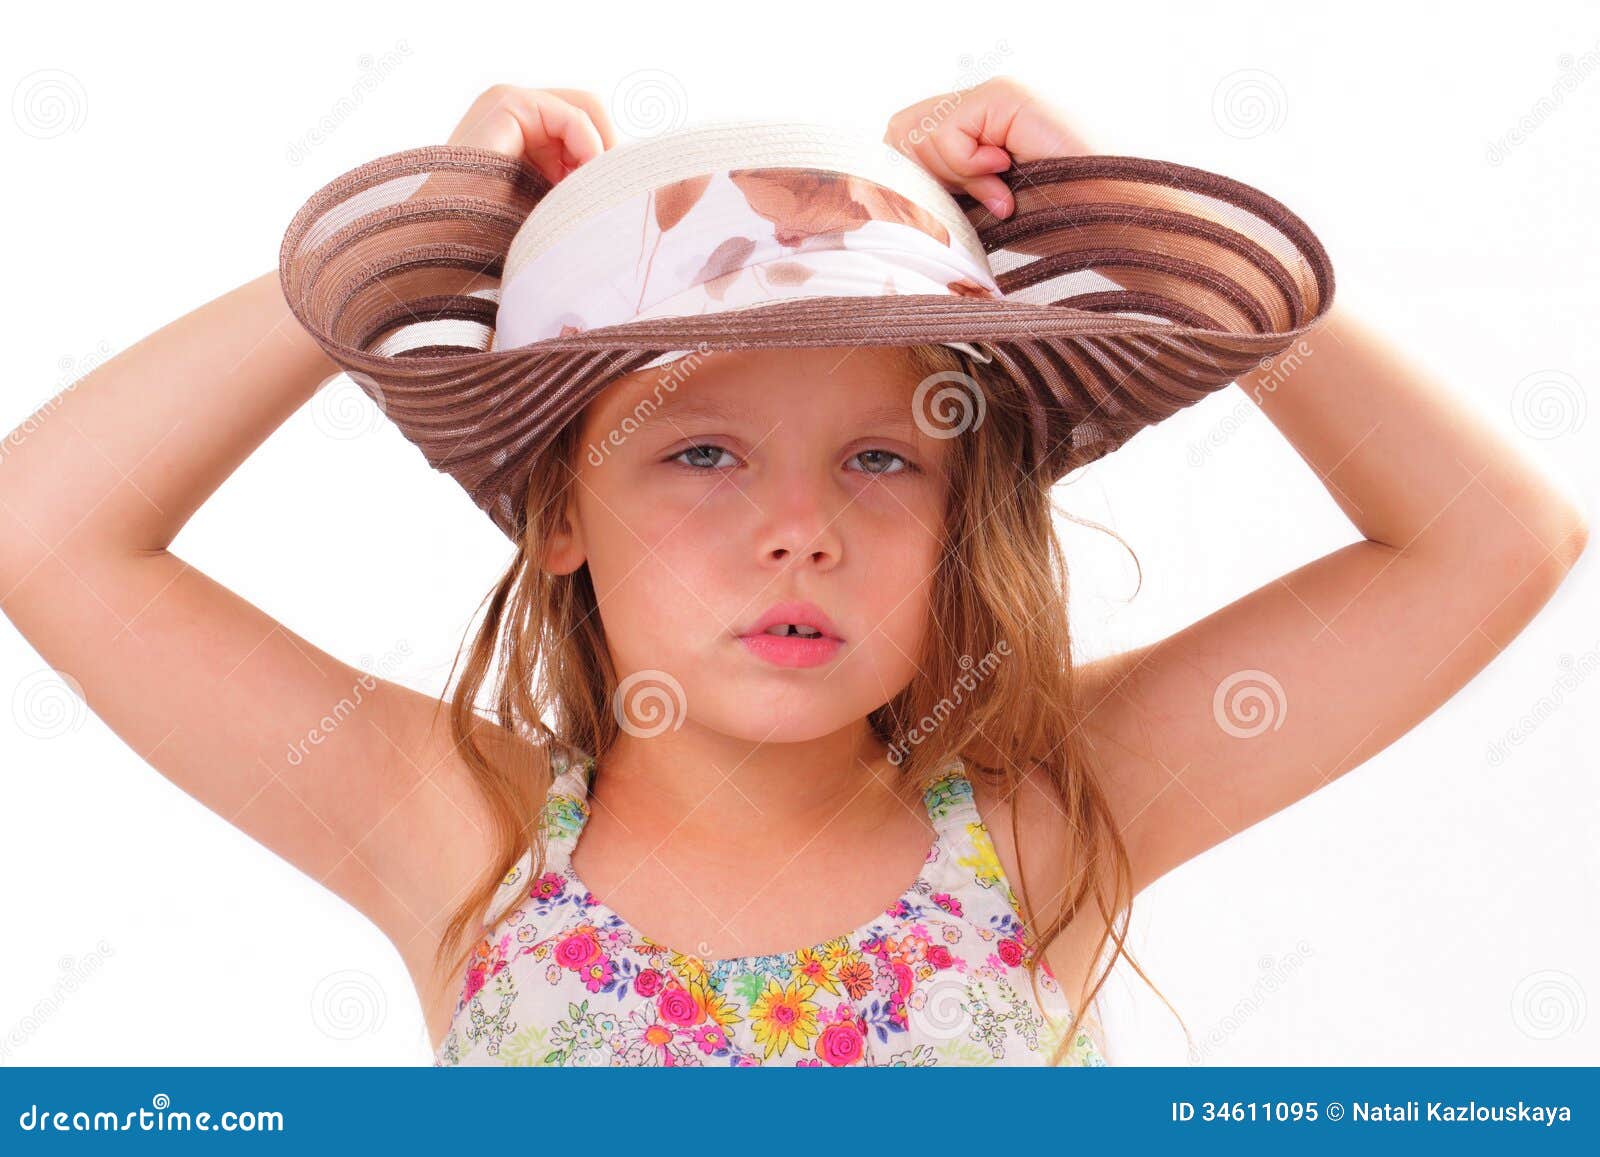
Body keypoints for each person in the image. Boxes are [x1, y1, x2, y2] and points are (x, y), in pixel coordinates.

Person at [0, 79, 1585, 1067]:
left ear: (967, 515)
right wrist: (422, 232)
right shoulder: (460, 836)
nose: (801, 528)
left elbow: (1496, 537)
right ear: (558, 512)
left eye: (886, 458)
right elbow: (44, 527)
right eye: (700, 449)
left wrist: (1137, 229)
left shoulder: (1052, 816)